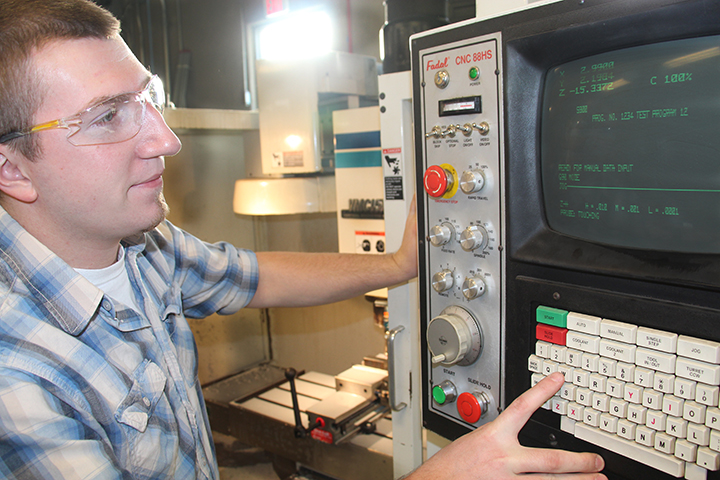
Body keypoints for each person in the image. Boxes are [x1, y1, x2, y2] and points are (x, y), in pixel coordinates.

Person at [0, 1, 605, 479]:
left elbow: (255, 275)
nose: (165, 140)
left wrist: (400, 263)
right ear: (13, 169)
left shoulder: (141, 247)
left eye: (148, 99)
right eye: (108, 116)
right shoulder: (19, 381)